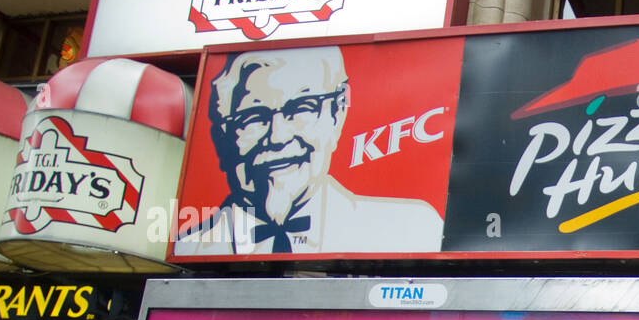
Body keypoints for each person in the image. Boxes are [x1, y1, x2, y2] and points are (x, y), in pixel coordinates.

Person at [176, 46, 443, 256]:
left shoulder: (415, 229)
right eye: (253, 117)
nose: (278, 137)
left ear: (337, 114)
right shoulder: (187, 246)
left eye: (302, 108)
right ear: (221, 138)